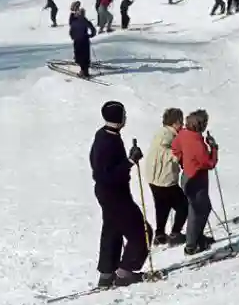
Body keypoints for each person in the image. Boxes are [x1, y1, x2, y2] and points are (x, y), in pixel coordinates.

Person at [89, 101, 150, 288]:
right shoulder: (108, 141)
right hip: (114, 194)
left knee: (112, 230)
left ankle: (107, 274)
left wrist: (127, 161)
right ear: (119, 118)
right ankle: (125, 273)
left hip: (109, 193)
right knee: (141, 231)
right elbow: (106, 174)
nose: (126, 117)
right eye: (124, 114)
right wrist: (130, 161)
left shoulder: (104, 134)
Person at [171, 110, 218, 256]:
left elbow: (175, 147)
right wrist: (214, 148)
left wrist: (182, 161)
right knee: (198, 210)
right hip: (197, 179)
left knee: (199, 209)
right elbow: (209, 163)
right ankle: (192, 245)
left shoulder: (183, 134)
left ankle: (197, 238)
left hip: (187, 176)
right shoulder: (197, 142)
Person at [146, 108, 188, 246]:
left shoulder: (161, 132)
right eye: (180, 121)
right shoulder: (168, 136)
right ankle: (175, 233)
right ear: (175, 122)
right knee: (183, 206)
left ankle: (159, 234)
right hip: (165, 178)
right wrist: (181, 154)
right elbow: (167, 152)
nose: (182, 124)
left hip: (153, 178)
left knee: (162, 205)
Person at [70, 6, 97, 78]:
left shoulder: (74, 21)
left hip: (77, 40)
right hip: (84, 40)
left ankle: (82, 70)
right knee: (85, 55)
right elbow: (93, 30)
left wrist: (73, 37)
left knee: (79, 55)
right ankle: (86, 71)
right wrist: (90, 35)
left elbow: (71, 31)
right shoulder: (85, 21)